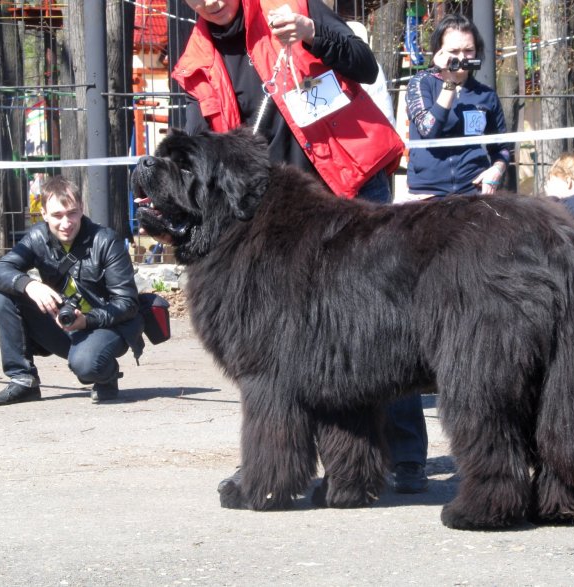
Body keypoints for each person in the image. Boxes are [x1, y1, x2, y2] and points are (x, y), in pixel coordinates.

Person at [174, 0, 427, 493]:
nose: (208, 1)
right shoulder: (195, 58)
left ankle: (406, 455)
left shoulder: (288, 8)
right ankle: (292, 463)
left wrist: (312, 33)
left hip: (347, 183)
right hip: (286, 214)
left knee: (388, 326)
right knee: (303, 348)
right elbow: (202, 144)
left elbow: (362, 63)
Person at [175, 0, 404, 202]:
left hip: (353, 186)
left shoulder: (293, 6)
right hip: (286, 207)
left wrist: (313, 33)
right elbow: (196, 150)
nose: (211, 2)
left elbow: (367, 69)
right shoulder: (194, 65)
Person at [0, 176, 144, 405]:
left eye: (71, 213)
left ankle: (106, 375)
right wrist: (28, 284)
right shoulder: (37, 237)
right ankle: (23, 381)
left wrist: (87, 321)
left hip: (106, 326)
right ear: (43, 215)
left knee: (87, 367)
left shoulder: (106, 241)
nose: (66, 223)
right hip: (64, 321)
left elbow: (127, 305)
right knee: (5, 296)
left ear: (81, 209)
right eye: (57, 216)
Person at [405, 13, 511, 197]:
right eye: (453, 52)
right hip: (428, 194)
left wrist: (496, 170)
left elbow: (501, 147)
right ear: (439, 52)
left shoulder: (486, 95)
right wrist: (450, 81)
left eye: (468, 50)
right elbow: (429, 129)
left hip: (473, 193)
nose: (462, 57)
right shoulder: (421, 83)